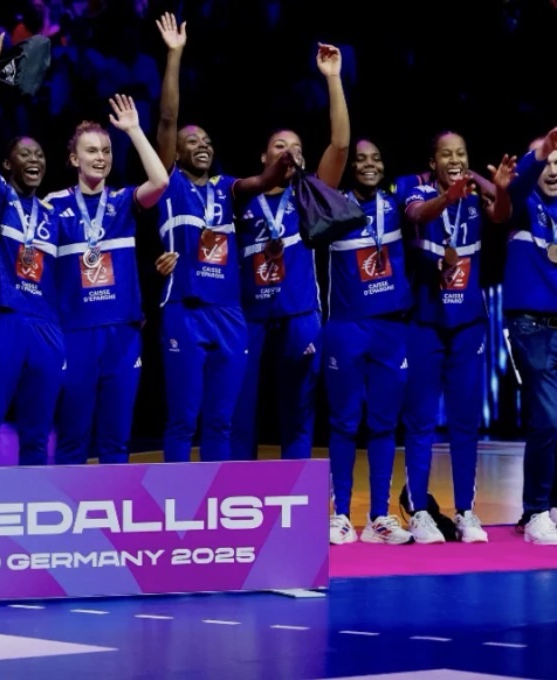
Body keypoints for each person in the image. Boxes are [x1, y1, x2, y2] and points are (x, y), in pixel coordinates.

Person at [153, 12, 288, 463]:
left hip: (229, 312)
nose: (203, 145)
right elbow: (168, 117)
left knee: (221, 420)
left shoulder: (228, 188)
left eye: (207, 140)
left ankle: (214, 497)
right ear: (176, 153)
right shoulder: (169, 183)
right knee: (182, 417)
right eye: (193, 141)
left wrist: (282, 162)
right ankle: (176, 499)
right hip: (185, 309)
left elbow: (261, 180)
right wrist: (175, 55)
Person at [230, 43, 350, 462]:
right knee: (240, 413)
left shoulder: (310, 192)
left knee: (298, 413)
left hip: (299, 314)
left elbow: (340, 146)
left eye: (295, 147)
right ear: (264, 157)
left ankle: (296, 493)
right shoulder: (241, 196)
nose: (287, 152)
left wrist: (332, 78)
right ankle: (238, 491)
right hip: (249, 317)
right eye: (279, 146)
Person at [0, 20, 64, 469]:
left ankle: (36, 505)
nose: (35, 160)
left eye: (40, 155)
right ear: (6, 164)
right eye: (25, 154)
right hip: (0, 321)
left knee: (39, 436)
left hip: (46, 325)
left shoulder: (55, 214)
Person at [401, 132, 514, 544]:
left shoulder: (475, 197)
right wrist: (448, 196)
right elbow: (417, 214)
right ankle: (418, 511)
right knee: (421, 420)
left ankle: (466, 510)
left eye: (461, 154)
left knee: (465, 421)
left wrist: (493, 185)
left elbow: (501, 213)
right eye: (446, 154)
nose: (454, 159)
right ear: (432, 162)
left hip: (468, 324)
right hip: (425, 322)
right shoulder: (415, 189)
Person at [45, 94, 170, 466]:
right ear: (74, 159)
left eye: (106, 151)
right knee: (73, 437)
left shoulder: (124, 201)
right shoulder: (53, 205)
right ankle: (68, 502)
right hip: (74, 332)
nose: (100, 157)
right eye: (91, 151)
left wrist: (133, 131)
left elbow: (160, 180)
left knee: (116, 438)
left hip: (122, 331)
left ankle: (114, 504)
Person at [324, 139, 415, 545]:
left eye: (376, 158)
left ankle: (379, 516)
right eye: (360, 159)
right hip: (346, 327)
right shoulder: (333, 204)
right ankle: (340, 514)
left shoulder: (396, 202)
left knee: (384, 423)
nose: (369, 165)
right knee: (344, 422)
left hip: (390, 328)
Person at [504, 128, 557, 545]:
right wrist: (538, 154)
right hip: (530, 326)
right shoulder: (522, 205)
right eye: (547, 163)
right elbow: (515, 186)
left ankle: (549, 507)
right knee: (548, 418)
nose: (553, 170)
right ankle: (535, 509)